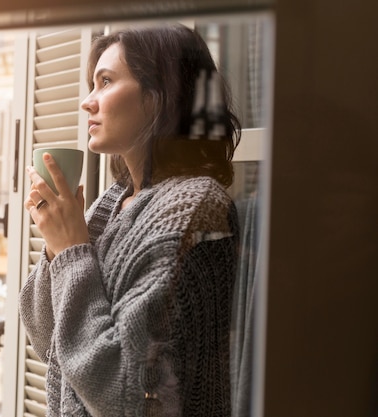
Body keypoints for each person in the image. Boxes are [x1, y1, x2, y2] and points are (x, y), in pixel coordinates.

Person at [19, 24, 242, 417]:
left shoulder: (196, 209)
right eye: (92, 84)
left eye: (105, 81)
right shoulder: (112, 203)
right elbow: (48, 338)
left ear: (159, 97)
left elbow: (127, 395)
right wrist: (58, 247)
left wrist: (72, 249)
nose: (88, 102)